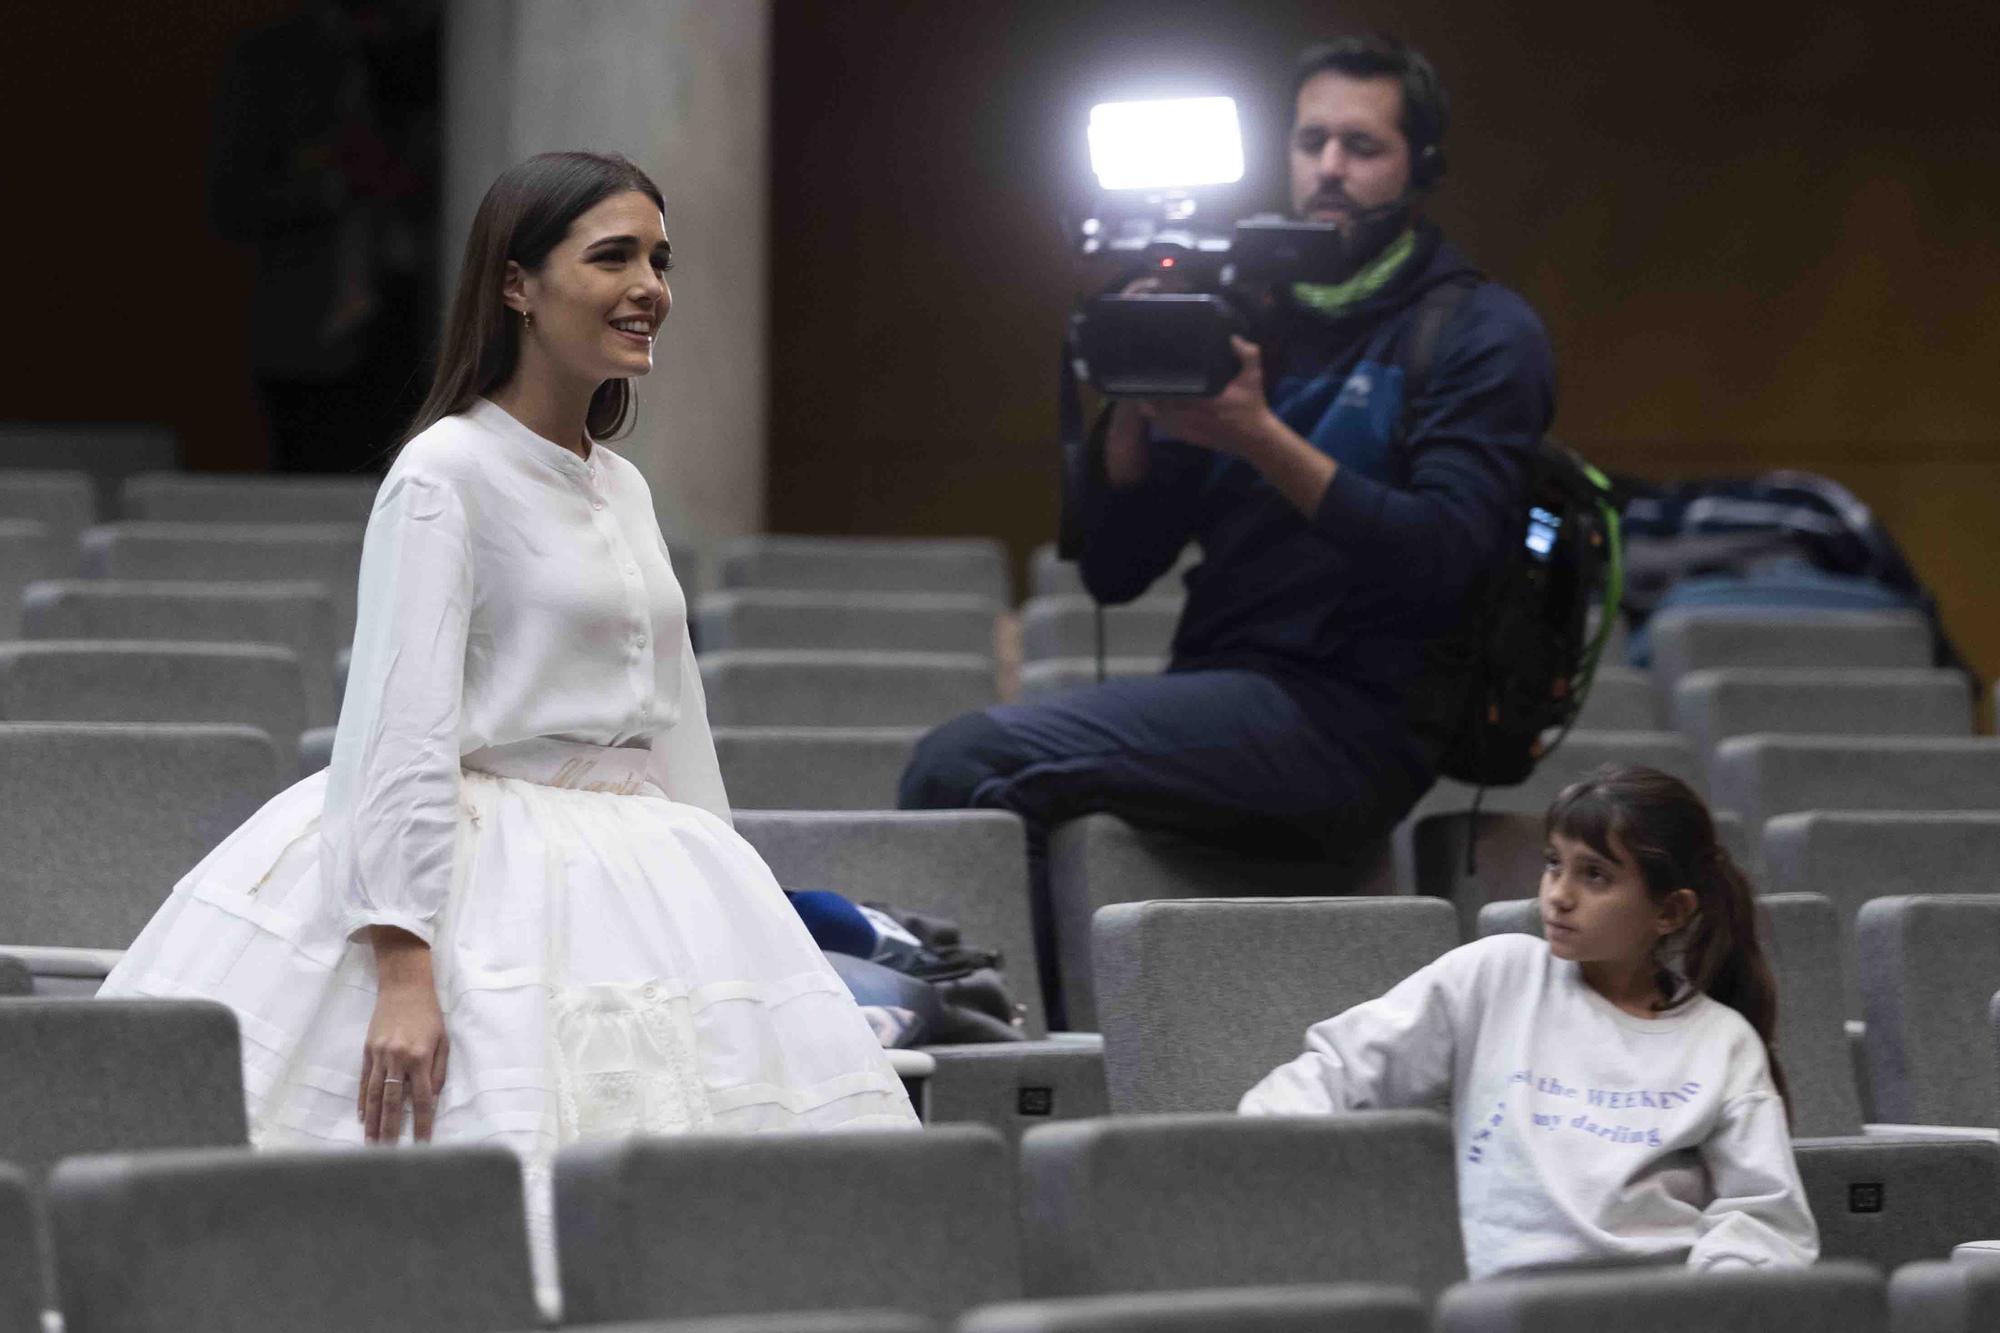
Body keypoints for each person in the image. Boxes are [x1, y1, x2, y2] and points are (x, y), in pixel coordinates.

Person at [101, 151, 918, 1261]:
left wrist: (731, 897)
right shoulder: (446, 470)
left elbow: (670, 714)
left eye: (660, 259)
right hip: (483, 849)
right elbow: (397, 720)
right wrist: (402, 968)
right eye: (613, 256)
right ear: (517, 285)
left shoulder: (619, 480)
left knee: (723, 1214)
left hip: (641, 859)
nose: (650, 287)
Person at [899, 34, 1557, 1027]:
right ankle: (1068, 1032)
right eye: (1310, 140)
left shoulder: (1473, 332)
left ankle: (1030, 1059)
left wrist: (1253, 432)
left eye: (1361, 146)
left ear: (1419, 167)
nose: (1328, 167)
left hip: (1357, 722)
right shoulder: (1248, 312)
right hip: (1230, 698)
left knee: (961, 763)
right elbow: (1117, 572)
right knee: (981, 762)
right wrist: (1131, 400)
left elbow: (1443, 556)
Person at [1241, 766, 1818, 1276]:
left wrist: (1710, 1305)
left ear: (1670, 911)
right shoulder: (1498, 974)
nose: (1558, 896)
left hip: (1656, 1312)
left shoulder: (1722, 1041)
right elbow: (1336, 1075)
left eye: (1594, 876)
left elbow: (1767, 1221)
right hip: (1499, 1306)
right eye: (1552, 865)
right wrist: (1244, 1159)